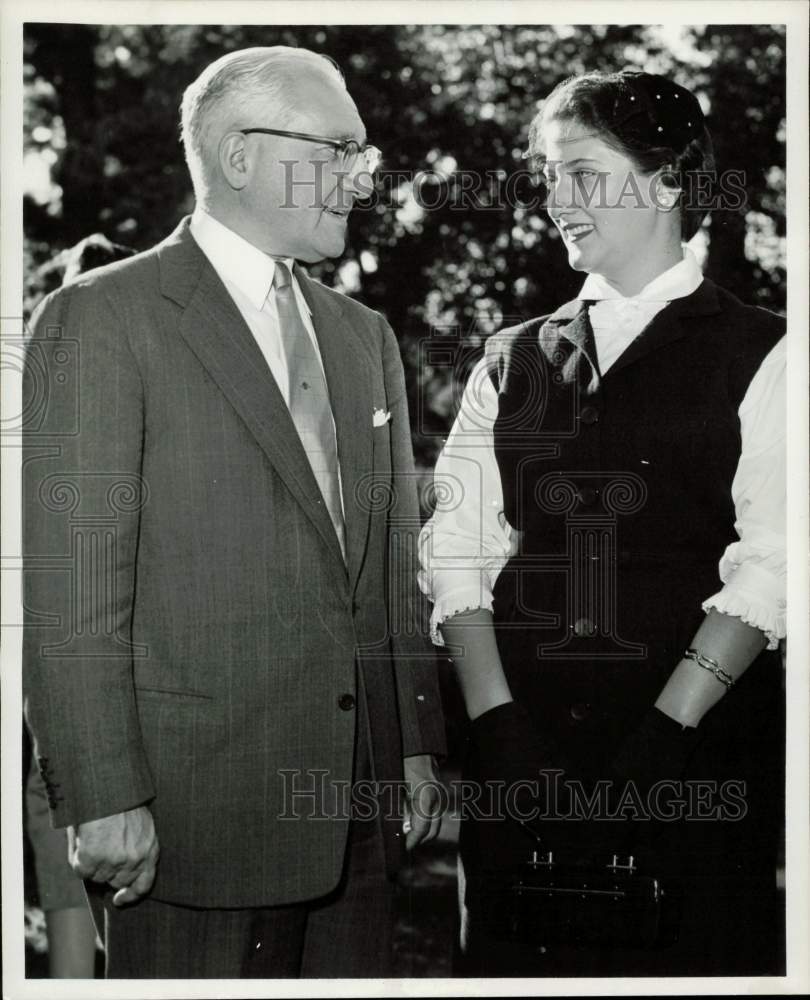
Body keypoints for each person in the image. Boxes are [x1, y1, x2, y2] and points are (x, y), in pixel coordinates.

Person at [23, 46, 446, 979]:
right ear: (240, 156)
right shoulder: (102, 316)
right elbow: (76, 590)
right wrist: (100, 796)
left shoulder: (362, 336)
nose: (362, 177)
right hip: (189, 827)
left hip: (359, 822)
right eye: (338, 149)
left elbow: (386, 565)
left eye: (364, 155)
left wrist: (415, 746)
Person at [419, 69, 785, 977]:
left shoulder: (771, 352)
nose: (556, 201)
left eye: (581, 172)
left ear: (666, 181)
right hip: (519, 785)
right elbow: (460, 554)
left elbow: (776, 564)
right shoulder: (510, 358)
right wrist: (500, 731)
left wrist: (660, 745)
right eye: (547, 176)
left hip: (697, 784)